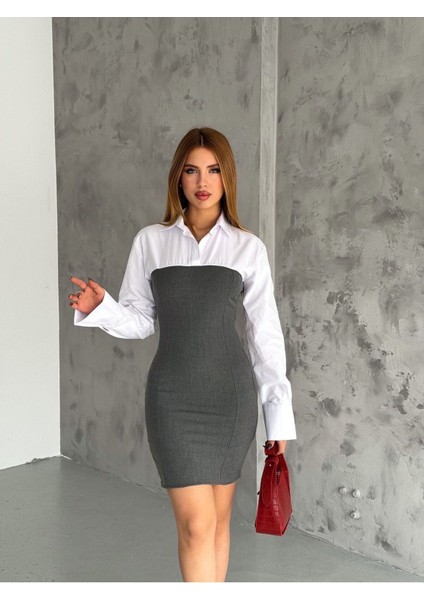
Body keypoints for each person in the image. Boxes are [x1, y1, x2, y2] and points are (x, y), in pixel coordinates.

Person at [68, 126, 297, 582]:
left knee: (217, 524)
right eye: (191, 170)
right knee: (196, 526)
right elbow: (140, 321)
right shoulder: (150, 241)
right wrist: (102, 309)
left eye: (213, 170)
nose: (202, 181)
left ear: (227, 177)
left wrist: (279, 417)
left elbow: (265, 336)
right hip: (172, 399)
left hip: (229, 400)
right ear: (178, 177)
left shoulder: (247, 248)